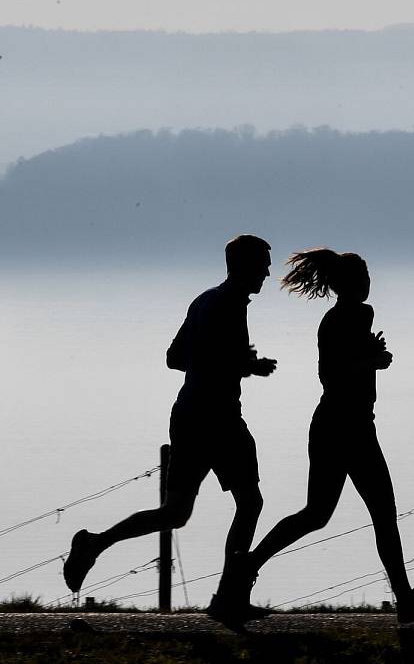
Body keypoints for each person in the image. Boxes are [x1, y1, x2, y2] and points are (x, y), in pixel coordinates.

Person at [62, 234, 277, 628]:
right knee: (250, 503)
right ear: (242, 265)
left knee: (175, 513)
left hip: (189, 415)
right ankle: (229, 597)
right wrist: (246, 365)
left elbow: (175, 358)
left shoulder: (204, 300)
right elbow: (209, 360)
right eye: (263, 263)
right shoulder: (227, 304)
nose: (267, 270)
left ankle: (95, 543)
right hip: (219, 418)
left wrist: (234, 361)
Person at [240, 248, 414, 624]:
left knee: (319, 514)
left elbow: (349, 361)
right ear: (351, 284)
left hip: (342, 424)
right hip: (345, 426)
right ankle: (404, 601)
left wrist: (370, 354)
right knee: (370, 512)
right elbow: (332, 374)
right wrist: (372, 360)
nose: (370, 284)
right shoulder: (337, 320)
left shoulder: (357, 316)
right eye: (365, 278)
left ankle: (248, 564)